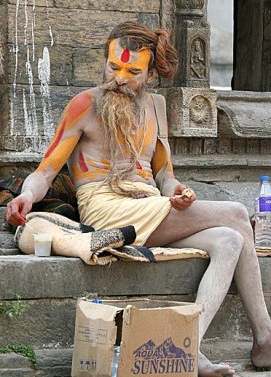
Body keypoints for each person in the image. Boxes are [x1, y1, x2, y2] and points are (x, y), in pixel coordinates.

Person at [6, 21, 271, 375]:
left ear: (150, 75)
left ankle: (188, 347)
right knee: (238, 213)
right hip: (108, 208)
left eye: (132, 71)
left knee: (229, 240)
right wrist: (25, 194)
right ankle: (266, 338)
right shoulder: (84, 104)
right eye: (113, 67)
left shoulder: (157, 107)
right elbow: (46, 171)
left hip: (151, 206)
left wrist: (177, 193)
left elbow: (164, 176)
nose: (119, 77)